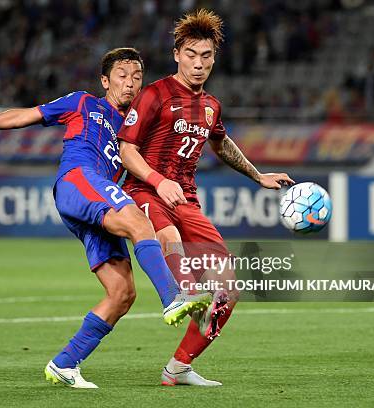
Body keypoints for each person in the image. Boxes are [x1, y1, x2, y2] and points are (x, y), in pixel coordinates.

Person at [0, 47, 210, 389]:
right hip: (79, 180)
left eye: (137, 78)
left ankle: (65, 364)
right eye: (123, 77)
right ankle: (173, 297)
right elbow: (26, 114)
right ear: (105, 80)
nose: (131, 84)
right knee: (140, 222)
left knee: (122, 293)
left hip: (98, 203)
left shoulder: (136, 125)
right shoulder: (83, 103)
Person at [118, 9, 294, 386]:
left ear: (214, 58)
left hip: (186, 201)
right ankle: (183, 292)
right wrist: (155, 179)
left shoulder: (211, 105)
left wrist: (256, 174)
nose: (199, 64)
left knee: (229, 288)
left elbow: (221, 141)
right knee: (169, 239)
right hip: (145, 190)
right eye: (192, 55)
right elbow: (126, 149)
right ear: (177, 54)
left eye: (206, 56)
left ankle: (178, 367)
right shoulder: (155, 94)